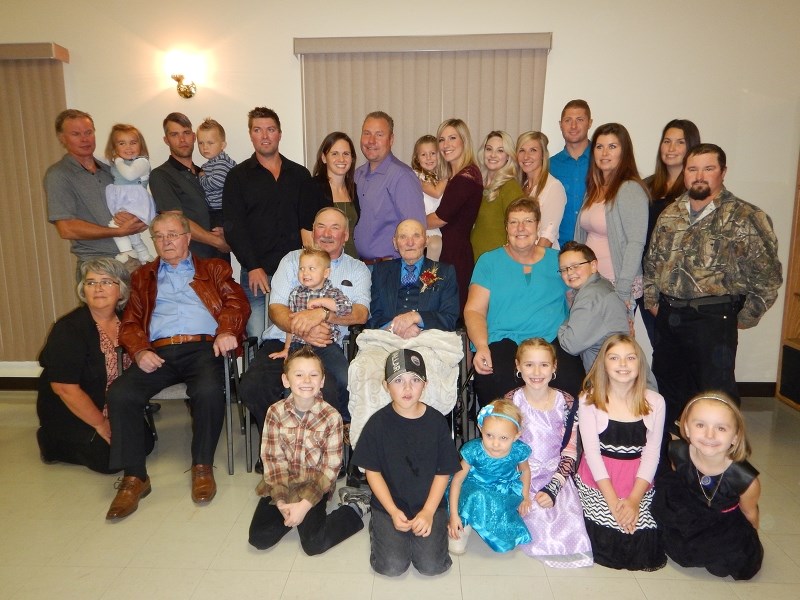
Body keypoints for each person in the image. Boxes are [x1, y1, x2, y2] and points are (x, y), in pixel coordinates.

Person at [104, 212, 249, 520]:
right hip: (159, 352)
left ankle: (202, 466)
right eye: (159, 236)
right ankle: (134, 477)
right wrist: (140, 349)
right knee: (120, 393)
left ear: (187, 238)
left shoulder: (213, 268)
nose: (166, 241)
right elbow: (129, 323)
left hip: (203, 347)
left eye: (172, 234)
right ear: (153, 242)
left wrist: (226, 330)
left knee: (209, 391)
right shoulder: (143, 276)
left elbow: (237, 303)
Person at [643, 143, 782, 427]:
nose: (699, 176)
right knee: (669, 394)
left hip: (714, 318)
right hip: (670, 316)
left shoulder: (746, 217)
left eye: (708, 169)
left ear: (723, 172)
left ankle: (723, 464)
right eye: (693, 169)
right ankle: (674, 462)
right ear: (684, 173)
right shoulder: (670, 214)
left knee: (716, 398)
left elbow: (768, 275)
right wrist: (653, 302)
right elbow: (652, 262)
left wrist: (745, 316)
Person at [239, 207, 370, 437]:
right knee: (253, 386)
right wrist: (302, 330)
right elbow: (276, 308)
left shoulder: (357, 268)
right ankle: (275, 445)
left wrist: (323, 315)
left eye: (335, 227)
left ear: (346, 236)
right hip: (284, 341)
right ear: (313, 230)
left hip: (328, 343)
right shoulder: (292, 260)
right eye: (321, 226)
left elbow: (360, 313)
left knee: (333, 387)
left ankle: (329, 448)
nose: (327, 233)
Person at [347, 219, 461, 449]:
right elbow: (375, 316)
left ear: (426, 240)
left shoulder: (445, 272)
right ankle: (370, 451)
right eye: (403, 237)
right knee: (367, 371)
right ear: (395, 243)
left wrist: (416, 317)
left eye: (416, 236)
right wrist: (397, 326)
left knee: (419, 375)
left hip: (427, 339)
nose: (409, 242)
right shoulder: (380, 271)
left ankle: (421, 449)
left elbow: (450, 317)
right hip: (386, 337)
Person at [351, 350, 462, 577]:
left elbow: (443, 473)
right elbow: (372, 472)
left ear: (425, 384)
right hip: (389, 504)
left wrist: (429, 511)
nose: (407, 388)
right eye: (398, 380)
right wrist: (391, 510)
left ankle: (422, 527)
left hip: (428, 502)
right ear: (386, 385)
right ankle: (378, 525)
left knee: (432, 566)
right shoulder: (377, 424)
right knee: (391, 566)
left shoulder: (437, 423)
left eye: (415, 380)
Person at [37, 258, 154, 473]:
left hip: (114, 406)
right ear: (83, 290)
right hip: (73, 409)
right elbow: (64, 388)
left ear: (121, 291)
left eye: (107, 282)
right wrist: (101, 423)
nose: (98, 288)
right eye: (90, 283)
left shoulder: (127, 321)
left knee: (145, 444)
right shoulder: (69, 329)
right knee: (110, 461)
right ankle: (52, 440)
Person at [248, 346, 368, 554]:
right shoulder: (274, 413)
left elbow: (330, 469)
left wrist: (303, 506)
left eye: (313, 375)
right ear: (286, 380)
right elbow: (272, 461)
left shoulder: (331, 417)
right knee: (259, 539)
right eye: (299, 374)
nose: (306, 381)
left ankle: (355, 508)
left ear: (322, 382)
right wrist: (282, 503)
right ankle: (293, 515)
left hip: (314, 485)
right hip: (282, 483)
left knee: (314, 544)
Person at [465, 197, 585, 404]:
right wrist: (482, 346)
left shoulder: (558, 260)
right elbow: (474, 311)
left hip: (552, 339)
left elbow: (578, 301)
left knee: (573, 383)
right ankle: (506, 437)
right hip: (503, 340)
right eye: (514, 222)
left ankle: (562, 436)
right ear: (506, 227)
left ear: (538, 226)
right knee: (492, 383)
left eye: (528, 221)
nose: (521, 228)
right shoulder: (488, 262)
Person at [224, 107, 326, 339]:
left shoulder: (299, 175)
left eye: (270, 130)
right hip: (258, 275)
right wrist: (253, 266)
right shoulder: (238, 177)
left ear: (279, 133)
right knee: (258, 337)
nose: (265, 136)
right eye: (258, 130)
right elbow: (234, 228)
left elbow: (310, 224)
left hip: (298, 275)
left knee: (298, 336)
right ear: (251, 135)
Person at [575, 334, 666, 571]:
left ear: (640, 363)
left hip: (637, 481)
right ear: (604, 364)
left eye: (630, 358)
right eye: (614, 358)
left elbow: (652, 453)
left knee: (642, 541)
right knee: (607, 538)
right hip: (598, 481)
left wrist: (634, 500)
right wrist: (613, 501)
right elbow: (592, 454)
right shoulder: (589, 399)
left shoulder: (655, 402)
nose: (623, 364)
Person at [651, 392, 763, 580]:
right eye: (700, 425)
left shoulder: (745, 479)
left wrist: (749, 540)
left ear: (735, 436)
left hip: (723, 521)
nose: (709, 435)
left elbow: (751, 514)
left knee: (734, 560)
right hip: (691, 508)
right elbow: (679, 479)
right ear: (686, 427)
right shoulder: (677, 451)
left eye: (721, 428)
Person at [506, 338, 593, 567]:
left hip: (556, 476)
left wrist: (553, 488)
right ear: (518, 366)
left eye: (544, 365)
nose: (536, 372)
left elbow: (571, 451)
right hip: (519, 476)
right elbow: (504, 448)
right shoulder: (510, 402)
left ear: (554, 367)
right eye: (529, 364)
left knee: (563, 525)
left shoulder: (566, 402)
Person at [45, 109, 147, 274]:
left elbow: (138, 205)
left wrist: (135, 219)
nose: (85, 139)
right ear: (62, 138)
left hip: (132, 262)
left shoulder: (112, 170)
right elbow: (67, 229)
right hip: (96, 266)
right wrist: (118, 231)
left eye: (88, 132)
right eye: (76, 134)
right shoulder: (58, 175)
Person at [267, 248, 353, 416]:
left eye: (311, 269)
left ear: (326, 272)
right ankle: (292, 423)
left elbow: (346, 308)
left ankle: (344, 420)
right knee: (293, 384)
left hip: (326, 344)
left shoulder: (333, 293)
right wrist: (286, 348)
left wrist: (322, 303)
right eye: (301, 268)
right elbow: (292, 325)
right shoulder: (295, 294)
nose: (305, 273)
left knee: (345, 376)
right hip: (298, 345)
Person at [574, 122, 649, 313]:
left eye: (612, 146)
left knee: (614, 343)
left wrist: (622, 290)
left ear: (624, 152)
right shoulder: (594, 189)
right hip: (591, 284)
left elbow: (635, 243)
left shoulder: (629, 189)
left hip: (616, 286)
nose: (604, 153)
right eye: (599, 147)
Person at [638, 119, 701, 342]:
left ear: (691, 147)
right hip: (648, 282)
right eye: (667, 141)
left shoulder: (697, 191)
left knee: (681, 352)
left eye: (679, 142)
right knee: (660, 346)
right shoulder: (645, 186)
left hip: (680, 287)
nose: (671, 148)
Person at [447, 399, 532, 554]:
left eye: (503, 438)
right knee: (476, 496)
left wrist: (525, 496)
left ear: (516, 436)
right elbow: (457, 481)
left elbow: (525, 471)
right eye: (489, 435)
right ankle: (462, 524)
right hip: (473, 486)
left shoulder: (518, 450)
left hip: (502, 489)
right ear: (481, 428)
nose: (495, 443)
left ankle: (487, 520)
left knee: (505, 533)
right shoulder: (473, 450)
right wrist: (453, 515)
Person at [149, 112, 229, 260]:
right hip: (188, 263)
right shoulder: (161, 175)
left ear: (193, 137)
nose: (182, 139)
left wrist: (228, 232)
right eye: (174, 134)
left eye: (186, 133)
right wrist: (219, 242)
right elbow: (175, 221)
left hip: (219, 261)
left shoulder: (205, 173)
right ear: (166, 140)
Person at [353, 111, 426, 263]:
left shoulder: (402, 177)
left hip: (390, 269)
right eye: (367, 133)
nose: (371, 141)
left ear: (391, 139)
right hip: (359, 268)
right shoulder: (356, 175)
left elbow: (416, 232)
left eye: (379, 135)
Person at [428, 118, 483, 312]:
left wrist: (413, 222)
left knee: (449, 313)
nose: (446, 145)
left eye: (452, 138)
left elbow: (440, 218)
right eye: (442, 140)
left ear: (464, 141)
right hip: (449, 250)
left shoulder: (465, 178)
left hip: (454, 255)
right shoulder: (456, 176)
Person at [557, 242, 630, 371]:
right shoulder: (600, 284)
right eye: (564, 269)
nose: (569, 272)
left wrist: (561, 324)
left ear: (593, 265)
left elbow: (570, 345)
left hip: (612, 380)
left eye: (575, 266)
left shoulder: (590, 298)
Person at [102, 123, 156, 265]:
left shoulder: (142, 162)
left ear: (140, 145)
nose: (128, 147)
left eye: (133, 143)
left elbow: (130, 175)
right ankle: (144, 256)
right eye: (122, 143)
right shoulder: (116, 164)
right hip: (125, 201)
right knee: (132, 234)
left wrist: (118, 159)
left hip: (136, 201)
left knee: (115, 225)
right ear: (114, 148)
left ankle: (126, 253)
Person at [471, 130, 523, 262]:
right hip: (475, 258)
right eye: (489, 149)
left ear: (508, 156)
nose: (493, 155)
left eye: (500, 150)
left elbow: (518, 229)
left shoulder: (510, 187)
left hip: (498, 261)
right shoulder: (477, 183)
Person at [550, 99, 593, 245]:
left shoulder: (603, 161)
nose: (573, 126)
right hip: (558, 250)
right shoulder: (549, 166)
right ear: (560, 125)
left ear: (590, 123)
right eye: (568, 120)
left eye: (579, 119)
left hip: (596, 250)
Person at [311, 132, 360, 258]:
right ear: (323, 158)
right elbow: (308, 238)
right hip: (323, 265)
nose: (341, 159)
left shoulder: (352, 188)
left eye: (346, 154)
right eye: (334, 153)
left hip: (351, 262)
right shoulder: (312, 187)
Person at [517, 131, 567, 249]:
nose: (526, 156)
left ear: (543, 155)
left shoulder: (553, 187)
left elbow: (547, 237)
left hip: (540, 260)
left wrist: (532, 264)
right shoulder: (521, 187)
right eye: (522, 150)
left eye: (533, 150)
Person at [196, 118, 236, 231]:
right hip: (215, 209)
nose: (205, 147)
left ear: (223, 145)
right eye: (201, 143)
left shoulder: (222, 162)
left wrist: (202, 178)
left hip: (221, 210)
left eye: (210, 143)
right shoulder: (210, 164)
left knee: (216, 239)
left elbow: (216, 183)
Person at [411, 135, 446, 261]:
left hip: (434, 226)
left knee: (436, 245)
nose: (429, 158)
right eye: (423, 154)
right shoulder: (416, 176)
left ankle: (429, 277)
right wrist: (449, 176)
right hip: (418, 223)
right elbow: (435, 192)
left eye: (432, 153)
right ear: (417, 158)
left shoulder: (439, 176)